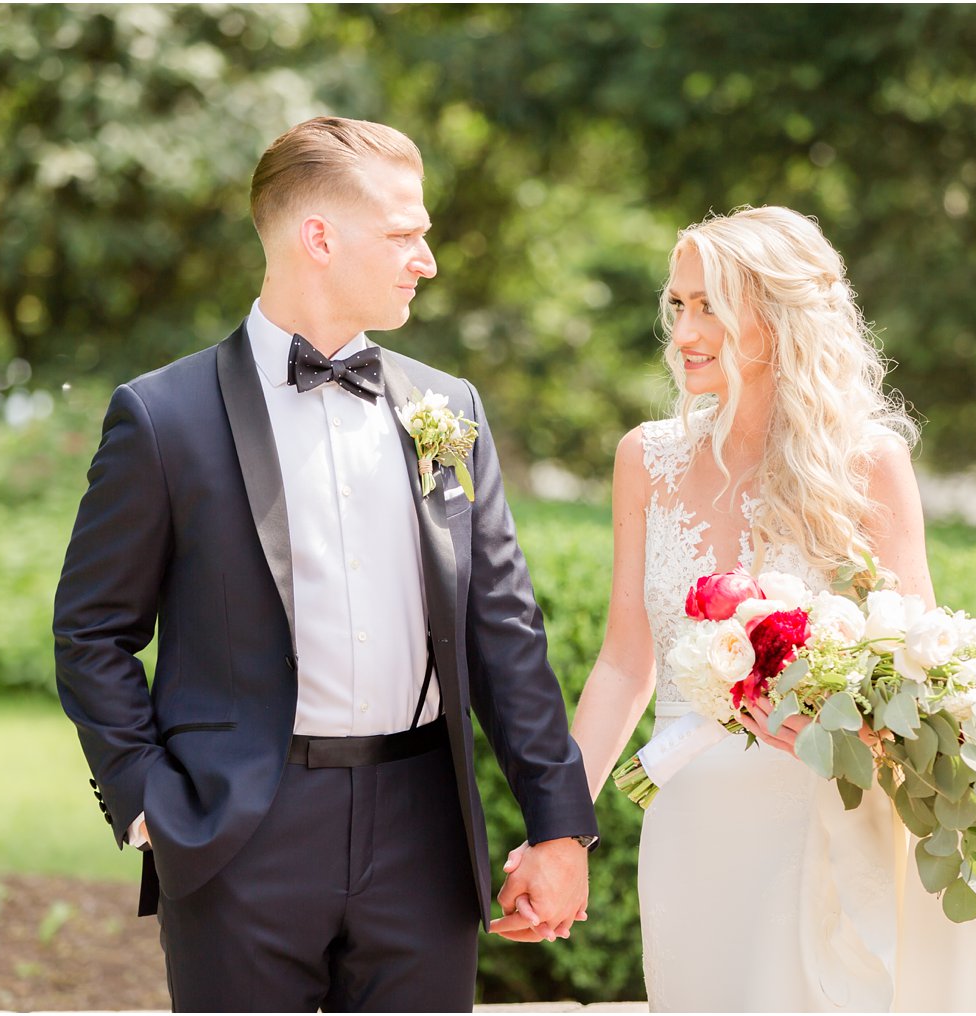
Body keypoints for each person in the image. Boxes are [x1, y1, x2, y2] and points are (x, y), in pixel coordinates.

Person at [53, 115, 598, 1013]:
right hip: (239, 835)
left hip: (425, 830)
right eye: (403, 235)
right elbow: (92, 631)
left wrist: (560, 827)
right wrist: (148, 797)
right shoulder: (163, 418)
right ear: (319, 238)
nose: (425, 259)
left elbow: (503, 626)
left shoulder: (447, 408)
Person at [557, 206, 976, 1011]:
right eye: (678, 305)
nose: (684, 330)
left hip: (828, 823)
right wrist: (558, 825)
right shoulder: (646, 459)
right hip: (693, 838)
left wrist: (844, 731)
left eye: (711, 305)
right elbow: (624, 662)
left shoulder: (867, 464)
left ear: (777, 318)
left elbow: (922, 667)